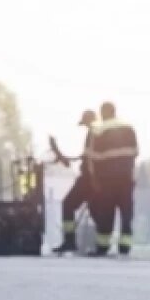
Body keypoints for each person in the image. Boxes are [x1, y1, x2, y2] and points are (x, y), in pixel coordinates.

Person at [85, 101, 139, 256]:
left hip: (107, 179)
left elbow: (93, 158)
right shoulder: (129, 127)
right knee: (126, 212)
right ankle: (125, 247)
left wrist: (94, 179)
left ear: (103, 113)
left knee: (106, 213)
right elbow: (134, 152)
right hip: (126, 178)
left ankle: (103, 246)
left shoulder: (98, 130)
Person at [52, 109, 98, 255]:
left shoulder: (94, 133)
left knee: (68, 204)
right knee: (96, 210)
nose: (85, 126)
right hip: (93, 178)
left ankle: (70, 241)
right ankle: (100, 245)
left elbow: (90, 158)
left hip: (89, 178)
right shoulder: (96, 134)